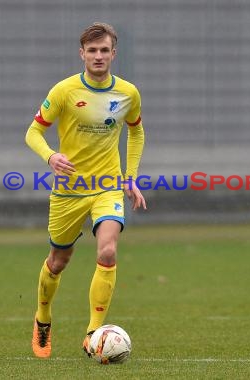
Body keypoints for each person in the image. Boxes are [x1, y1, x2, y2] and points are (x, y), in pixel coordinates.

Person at [25, 22, 146, 359]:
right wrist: (51, 156)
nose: (98, 56)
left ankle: (94, 333)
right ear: (82, 54)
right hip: (68, 191)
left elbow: (136, 133)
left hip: (107, 187)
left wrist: (130, 177)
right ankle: (43, 319)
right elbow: (33, 132)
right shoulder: (64, 91)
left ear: (113, 54)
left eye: (104, 50)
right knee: (58, 261)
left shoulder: (128, 93)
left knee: (107, 252)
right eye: (91, 50)